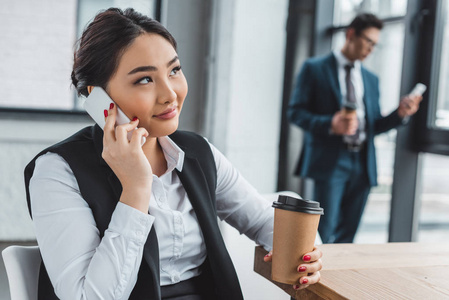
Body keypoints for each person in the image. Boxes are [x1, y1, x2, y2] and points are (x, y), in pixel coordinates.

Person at [24, 8, 322, 300]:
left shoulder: (196, 152)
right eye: (145, 79)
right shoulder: (58, 171)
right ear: (100, 99)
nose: (171, 94)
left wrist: (304, 254)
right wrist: (136, 189)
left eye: (174, 71)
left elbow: (260, 219)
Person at [287, 13, 422, 244]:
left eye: (375, 45)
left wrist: (399, 114)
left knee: (348, 236)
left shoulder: (371, 78)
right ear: (351, 34)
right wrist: (331, 123)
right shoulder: (314, 68)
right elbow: (295, 113)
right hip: (331, 162)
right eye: (368, 41)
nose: (371, 49)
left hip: (362, 163)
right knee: (323, 233)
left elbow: (374, 126)